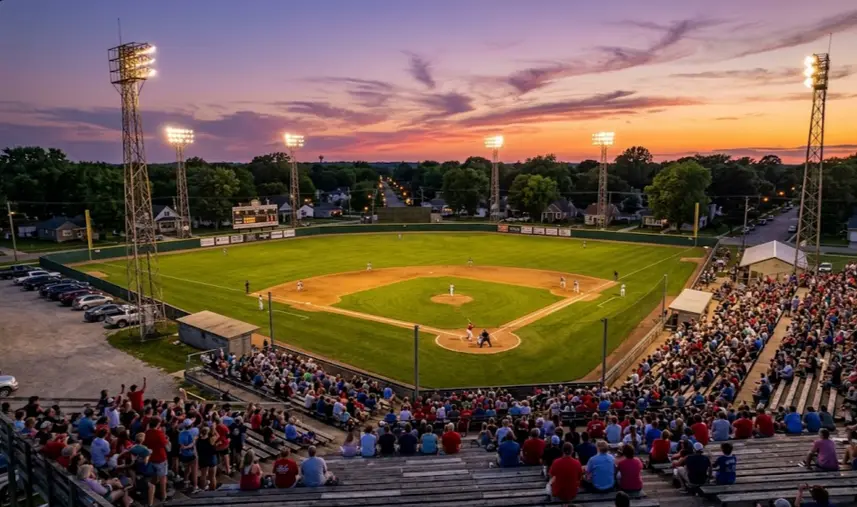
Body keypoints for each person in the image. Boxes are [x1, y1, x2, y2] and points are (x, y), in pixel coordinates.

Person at [143, 418, 169, 501]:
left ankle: (152, 494)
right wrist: (166, 439)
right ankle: (163, 496)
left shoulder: (146, 433)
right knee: (162, 478)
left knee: (154, 477)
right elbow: (165, 445)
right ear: (157, 424)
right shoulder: (159, 433)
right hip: (160, 458)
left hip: (151, 458)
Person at [196, 426, 218, 491]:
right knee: (212, 476)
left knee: (203, 475)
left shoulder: (198, 440)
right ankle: (213, 489)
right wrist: (213, 429)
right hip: (211, 458)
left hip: (203, 458)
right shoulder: (211, 439)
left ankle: (202, 489)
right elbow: (217, 435)